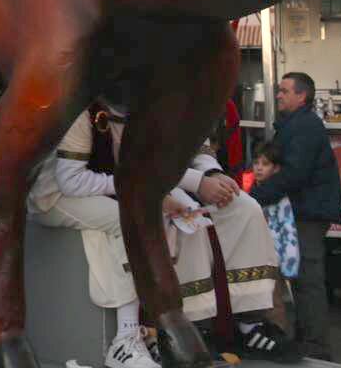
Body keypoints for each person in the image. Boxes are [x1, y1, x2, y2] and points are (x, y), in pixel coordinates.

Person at [30, 101, 296, 368]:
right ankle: (162, 330)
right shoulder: (94, 104)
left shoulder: (169, 91)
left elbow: (190, 150)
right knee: (161, 219)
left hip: (150, 183)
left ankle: (248, 321)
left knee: (244, 208)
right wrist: (174, 188)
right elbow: (88, 177)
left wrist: (210, 173)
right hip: (113, 189)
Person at [250, 72, 341, 361]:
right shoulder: (294, 125)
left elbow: (294, 174)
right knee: (301, 280)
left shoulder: (304, 127)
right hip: (301, 211)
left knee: (307, 280)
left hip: (308, 212)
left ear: (302, 96)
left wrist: (254, 199)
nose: (278, 95)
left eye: (284, 91)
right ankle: (306, 340)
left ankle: (316, 347)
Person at [251, 143, 300, 285]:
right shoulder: (248, 192)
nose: (259, 168)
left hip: (273, 260)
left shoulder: (281, 199)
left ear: (276, 168)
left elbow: (289, 231)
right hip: (253, 260)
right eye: (256, 163)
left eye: (265, 164)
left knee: (275, 303)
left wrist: (289, 267)